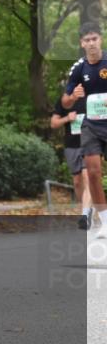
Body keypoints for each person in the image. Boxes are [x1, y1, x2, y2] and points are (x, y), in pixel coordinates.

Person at [62, 23, 107, 238]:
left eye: (94, 39)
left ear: (101, 39)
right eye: (87, 40)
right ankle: (105, 221)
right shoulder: (78, 68)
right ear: (82, 43)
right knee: (94, 173)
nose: (91, 43)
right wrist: (73, 96)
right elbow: (65, 101)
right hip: (91, 125)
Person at [50, 96, 93, 229]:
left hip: (90, 143)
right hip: (71, 145)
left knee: (88, 179)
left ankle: (85, 215)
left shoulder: (92, 96)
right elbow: (53, 123)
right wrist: (67, 118)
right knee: (77, 182)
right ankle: (86, 209)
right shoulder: (65, 100)